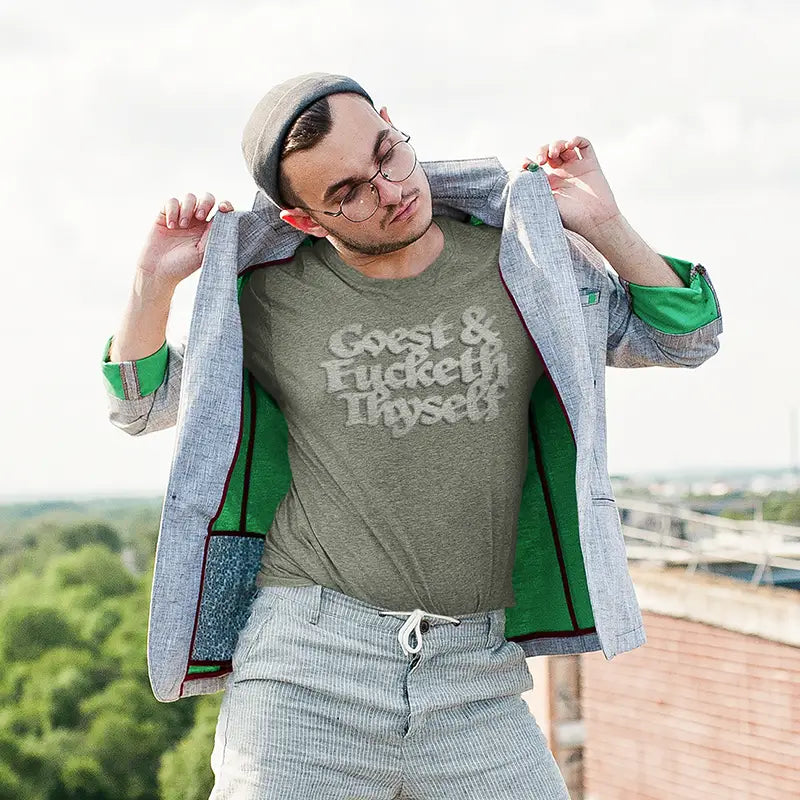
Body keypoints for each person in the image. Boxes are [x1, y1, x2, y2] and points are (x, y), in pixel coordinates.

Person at [103, 72, 722, 799]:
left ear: (393, 124)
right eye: (348, 193)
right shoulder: (267, 293)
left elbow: (685, 338)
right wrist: (153, 283)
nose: (392, 188)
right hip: (306, 673)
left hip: (477, 676)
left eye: (386, 152)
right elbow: (144, 406)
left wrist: (603, 223)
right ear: (302, 220)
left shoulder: (523, 260)